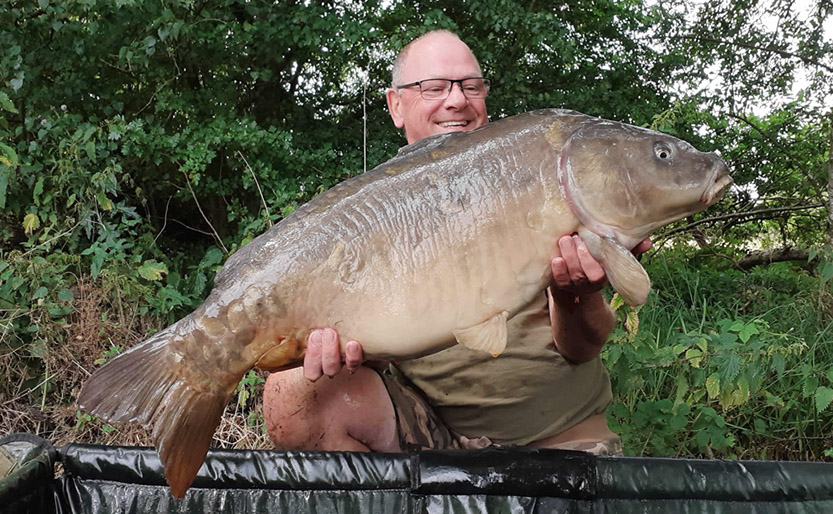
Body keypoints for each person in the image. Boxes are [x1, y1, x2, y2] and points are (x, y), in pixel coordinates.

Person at [262, 30, 650, 454]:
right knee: (293, 393)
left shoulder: (537, 175)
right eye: (434, 87)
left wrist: (576, 294)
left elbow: (582, 347)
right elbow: (371, 355)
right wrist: (338, 348)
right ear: (396, 105)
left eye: (471, 86)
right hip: (434, 439)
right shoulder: (368, 215)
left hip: (562, 437)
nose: (456, 100)